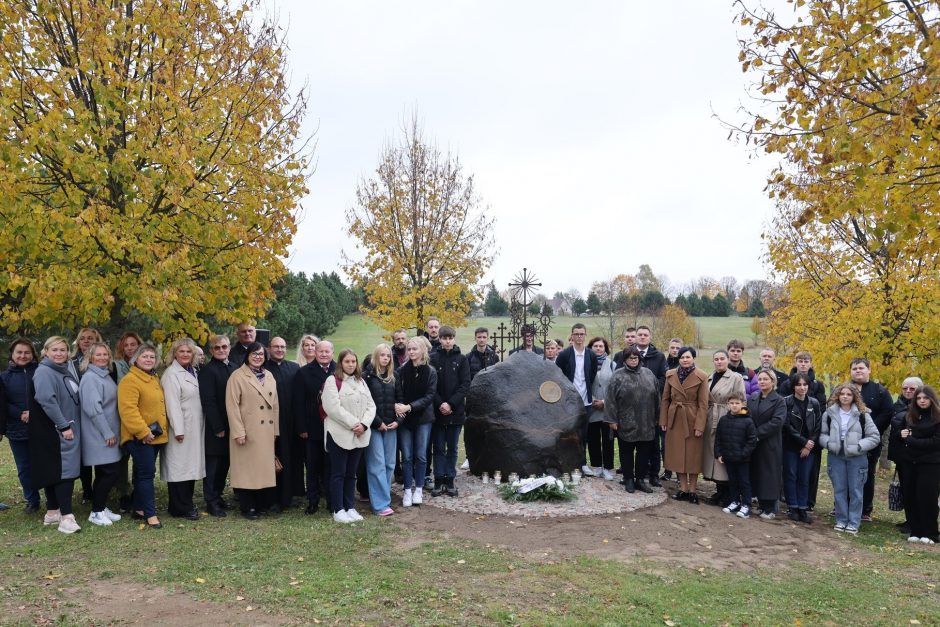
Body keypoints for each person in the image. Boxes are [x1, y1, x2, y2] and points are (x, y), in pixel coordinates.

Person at [29, 337, 82, 533]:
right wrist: (63, 426)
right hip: (60, 431)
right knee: (64, 473)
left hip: (65, 429)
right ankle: (66, 518)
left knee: (56, 471)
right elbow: (47, 400)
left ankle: (52, 512)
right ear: (46, 352)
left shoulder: (62, 370)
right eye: (55, 350)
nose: (59, 353)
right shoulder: (44, 372)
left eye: (63, 350)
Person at [226, 342, 280, 520]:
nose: (258, 357)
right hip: (248, 431)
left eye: (261, 354)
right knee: (247, 470)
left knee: (262, 470)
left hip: (266, 431)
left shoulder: (269, 375)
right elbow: (232, 406)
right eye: (254, 354)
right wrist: (238, 432)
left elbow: (275, 406)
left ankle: (260, 503)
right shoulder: (238, 376)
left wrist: (275, 431)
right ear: (247, 355)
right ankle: (247, 506)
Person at [117, 343, 168, 529]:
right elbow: (128, 410)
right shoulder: (130, 380)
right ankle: (150, 513)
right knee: (147, 474)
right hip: (140, 437)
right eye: (144, 356)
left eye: (152, 357)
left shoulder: (152, 378)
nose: (148, 360)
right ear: (136, 359)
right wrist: (143, 432)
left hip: (154, 436)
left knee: (141, 474)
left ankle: (138, 508)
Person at [322, 349, 374, 523]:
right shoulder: (332, 381)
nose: (351, 364)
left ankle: (350, 506)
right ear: (340, 363)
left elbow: (371, 406)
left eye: (353, 361)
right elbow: (333, 408)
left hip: (359, 435)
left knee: (352, 473)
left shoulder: (361, 381)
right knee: (339, 472)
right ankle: (338, 509)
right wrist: (354, 424)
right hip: (339, 434)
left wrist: (364, 424)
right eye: (347, 362)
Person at [819, 383, 880, 535]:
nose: (845, 396)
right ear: (837, 396)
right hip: (836, 456)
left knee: (856, 491)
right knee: (839, 490)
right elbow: (822, 434)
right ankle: (841, 520)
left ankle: (853, 522)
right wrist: (829, 443)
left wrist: (859, 447)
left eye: (849, 394)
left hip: (857, 458)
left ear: (854, 397)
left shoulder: (863, 414)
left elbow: (874, 437)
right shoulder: (829, 413)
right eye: (842, 394)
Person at [161, 338, 206, 520]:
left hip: (194, 426)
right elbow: (172, 405)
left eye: (188, 352)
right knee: (179, 468)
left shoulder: (192, 371)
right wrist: (179, 430)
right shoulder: (171, 374)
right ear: (174, 354)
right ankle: (181, 507)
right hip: (181, 429)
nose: (185, 354)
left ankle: (182, 504)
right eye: (181, 351)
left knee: (189, 467)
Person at [79, 343, 123, 526]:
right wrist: (107, 432)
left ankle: (101, 507)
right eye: (99, 355)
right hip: (100, 434)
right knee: (110, 472)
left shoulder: (104, 375)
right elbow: (93, 409)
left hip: (108, 432)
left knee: (105, 472)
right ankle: (96, 512)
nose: (103, 357)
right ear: (90, 357)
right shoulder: (90, 378)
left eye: (106, 354)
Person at [604, 348, 660, 493]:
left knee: (643, 453)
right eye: (630, 358)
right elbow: (610, 399)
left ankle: (640, 480)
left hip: (647, 422)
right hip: (626, 422)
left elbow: (657, 397)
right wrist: (611, 420)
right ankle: (628, 479)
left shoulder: (648, 374)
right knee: (626, 452)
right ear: (624, 360)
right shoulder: (617, 376)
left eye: (636, 358)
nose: (633, 360)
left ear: (640, 359)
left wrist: (658, 417)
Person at [777, 350, 828, 510]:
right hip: (792, 439)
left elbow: (820, 414)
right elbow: (784, 416)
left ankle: (806, 504)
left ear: (811, 363)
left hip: (812, 441)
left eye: (806, 361)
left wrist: (810, 442)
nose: (803, 364)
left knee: (808, 475)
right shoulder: (786, 385)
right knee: (790, 473)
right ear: (795, 363)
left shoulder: (818, 385)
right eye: (800, 361)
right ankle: (791, 503)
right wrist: (802, 441)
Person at [660, 346, 709, 503]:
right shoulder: (670, 375)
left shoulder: (702, 376)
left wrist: (700, 426)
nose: (685, 360)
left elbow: (703, 404)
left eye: (688, 357)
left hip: (692, 418)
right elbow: (665, 399)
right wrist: (663, 420)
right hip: (674, 418)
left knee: (693, 456)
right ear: (678, 359)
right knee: (677, 455)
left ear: (693, 358)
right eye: (682, 357)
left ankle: (693, 491)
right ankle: (683, 489)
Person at [293, 340, 336, 515]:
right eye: (321, 351)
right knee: (312, 466)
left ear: (332, 352)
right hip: (312, 427)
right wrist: (302, 427)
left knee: (331, 465)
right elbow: (298, 402)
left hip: (334, 427)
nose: (324, 354)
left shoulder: (339, 370)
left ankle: (331, 500)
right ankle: (313, 500)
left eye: (327, 351)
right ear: (315, 353)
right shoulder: (303, 373)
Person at [848, 358, 895, 522]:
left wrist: (871, 429)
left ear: (869, 370)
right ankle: (842, 504)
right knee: (846, 473)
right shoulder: (845, 389)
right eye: (854, 368)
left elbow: (888, 412)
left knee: (866, 474)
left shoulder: (880, 391)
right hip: (847, 440)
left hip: (870, 441)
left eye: (861, 368)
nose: (858, 371)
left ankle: (865, 509)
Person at [395, 337, 437, 507]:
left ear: (422, 351)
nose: (411, 352)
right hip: (405, 419)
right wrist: (400, 407)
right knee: (406, 456)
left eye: (414, 349)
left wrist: (409, 407)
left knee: (420, 455)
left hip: (423, 418)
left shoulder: (431, 372)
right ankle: (407, 490)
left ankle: (418, 489)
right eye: (409, 349)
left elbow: (429, 397)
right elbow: (398, 392)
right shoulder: (401, 371)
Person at [198, 334, 236, 517]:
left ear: (229, 348)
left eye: (224, 347)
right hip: (217, 427)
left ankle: (219, 496)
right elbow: (209, 401)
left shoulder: (234, 367)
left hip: (233, 426)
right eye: (217, 347)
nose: (221, 350)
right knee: (213, 466)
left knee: (225, 464)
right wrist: (218, 427)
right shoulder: (208, 371)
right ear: (211, 350)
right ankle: (211, 501)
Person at [702, 350, 746, 506]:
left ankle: (729, 493)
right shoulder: (709, 377)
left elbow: (742, 401)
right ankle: (719, 490)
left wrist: (738, 421)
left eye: (722, 359)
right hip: (710, 418)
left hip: (728, 420)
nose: (719, 362)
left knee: (725, 455)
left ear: (727, 360)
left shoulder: (735, 378)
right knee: (713, 454)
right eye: (716, 359)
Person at [430, 326, 470, 496]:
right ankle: (439, 479)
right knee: (438, 447)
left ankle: (450, 479)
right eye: (444, 338)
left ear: (454, 339)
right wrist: (440, 403)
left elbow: (465, 384)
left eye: (450, 338)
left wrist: (451, 404)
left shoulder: (461, 359)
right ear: (439, 339)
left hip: (456, 411)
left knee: (452, 447)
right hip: (438, 411)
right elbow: (430, 385)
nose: (447, 341)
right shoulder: (433, 358)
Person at [1, 339, 40, 513]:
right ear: (12, 354)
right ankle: (32, 500)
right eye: (19, 352)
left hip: (41, 426)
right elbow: (2, 402)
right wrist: (20, 413)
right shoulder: (4, 377)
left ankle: (53, 500)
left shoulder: (41, 372)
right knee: (24, 467)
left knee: (44, 464)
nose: (23, 356)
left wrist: (33, 412)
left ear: (32, 354)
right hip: (17, 428)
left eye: (27, 352)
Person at [899, 386, 940, 544]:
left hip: (930, 463)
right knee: (910, 496)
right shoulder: (910, 416)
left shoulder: (937, 418)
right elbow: (901, 436)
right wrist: (900, 435)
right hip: (910, 462)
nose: (922, 401)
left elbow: (935, 442)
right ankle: (915, 530)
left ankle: (930, 533)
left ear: (932, 399)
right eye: (919, 398)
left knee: (927, 497)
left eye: (925, 398)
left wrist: (910, 440)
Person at [265, 337, 302, 511]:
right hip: (272, 423)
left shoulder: (294, 368)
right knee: (274, 458)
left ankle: (291, 495)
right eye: (276, 347)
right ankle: (273, 498)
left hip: (292, 422)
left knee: (292, 459)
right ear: (269, 349)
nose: (280, 349)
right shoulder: (263, 369)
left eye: (283, 347)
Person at [556, 323, 599, 469]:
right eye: (576, 334)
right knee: (567, 432)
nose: (579, 337)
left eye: (582, 334)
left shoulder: (591, 355)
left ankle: (582, 463)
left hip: (585, 401)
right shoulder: (564, 354)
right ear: (572, 335)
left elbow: (592, 375)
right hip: (568, 401)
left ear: (585, 335)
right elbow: (558, 375)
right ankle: (566, 461)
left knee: (583, 433)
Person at [782, 372, 822, 523]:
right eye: (799, 384)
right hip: (791, 446)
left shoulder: (814, 403)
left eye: (805, 384)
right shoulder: (786, 402)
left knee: (804, 478)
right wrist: (803, 442)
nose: (802, 387)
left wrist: (810, 443)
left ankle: (802, 508)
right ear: (793, 386)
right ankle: (792, 507)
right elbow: (786, 426)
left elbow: (818, 425)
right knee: (791, 476)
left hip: (809, 448)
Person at [364, 344, 398, 516]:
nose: (386, 358)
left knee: (389, 464)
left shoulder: (394, 376)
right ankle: (380, 505)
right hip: (375, 427)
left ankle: (384, 499)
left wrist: (398, 421)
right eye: (382, 355)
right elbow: (365, 404)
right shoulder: (367, 377)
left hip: (391, 426)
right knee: (376, 465)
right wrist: (378, 423)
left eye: (388, 355)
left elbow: (400, 401)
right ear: (376, 356)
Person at [747, 369, 787, 520]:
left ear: (773, 382)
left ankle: (769, 507)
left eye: (766, 379)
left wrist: (757, 434)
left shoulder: (779, 400)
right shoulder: (753, 398)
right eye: (760, 379)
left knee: (768, 474)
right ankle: (760, 503)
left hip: (769, 443)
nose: (762, 382)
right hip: (754, 442)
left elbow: (777, 422)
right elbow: (748, 417)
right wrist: (750, 434)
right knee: (756, 473)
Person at [888, 376, 924, 534]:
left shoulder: (924, 406)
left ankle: (920, 521)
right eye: (905, 388)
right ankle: (910, 520)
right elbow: (894, 431)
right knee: (907, 489)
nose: (908, 391)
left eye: (912, 389)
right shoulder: (897, 405)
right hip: (901, 455)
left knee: (919, 490)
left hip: (919, 455)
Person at [713, 392, 758, 519]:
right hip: (728, 457)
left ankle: (746, 505)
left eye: (737, 403)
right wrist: (719, 453)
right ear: (727, 405)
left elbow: (752, 440)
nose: (734, 406)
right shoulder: (724, 420)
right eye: (731, 403)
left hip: (742, 459)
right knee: (732, 481)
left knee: (744, 481)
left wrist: (743, 454)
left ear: (743, 404)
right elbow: (718, 438)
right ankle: (735, 501)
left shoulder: (748, 421)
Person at [584, 336, 616, 480]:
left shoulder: (612, 365)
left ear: (605, 348)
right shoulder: (585, 364)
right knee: (593, 439)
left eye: (601, 346)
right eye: (595, 346)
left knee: (608, 440)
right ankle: (596, 466)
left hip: (607, 409)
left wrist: (604, 401)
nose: (598, 348)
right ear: (590, 348)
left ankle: (608, 468)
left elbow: (616, 388)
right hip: (591, 408)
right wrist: (592, 400)